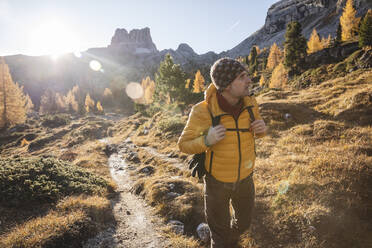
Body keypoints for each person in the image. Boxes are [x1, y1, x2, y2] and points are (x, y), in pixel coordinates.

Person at [177, 58, 267, 248]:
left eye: (247, 76)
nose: (249, 80)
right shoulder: (202, 110)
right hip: (216, 183)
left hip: (245, 179)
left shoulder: (251, 104)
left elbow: (258, 132)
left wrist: (262, 129)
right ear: (226, 84)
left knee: (243, 224)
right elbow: (183, 144)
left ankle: (230, 241)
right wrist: (207, 141)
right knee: (219, 236)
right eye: (242, 77)